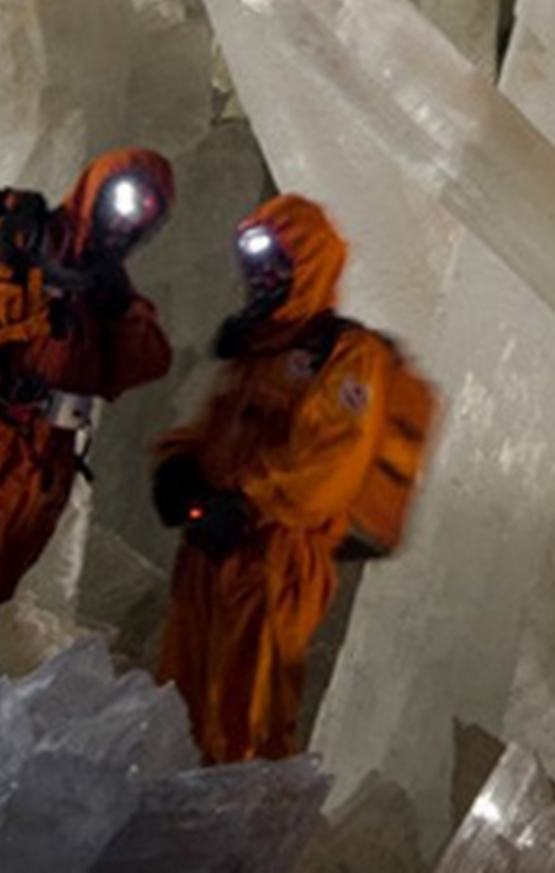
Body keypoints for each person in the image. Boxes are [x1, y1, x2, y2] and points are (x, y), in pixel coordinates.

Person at [0, 148, 177, 652]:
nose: (130, 219)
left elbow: (148, 360)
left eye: (147, 213)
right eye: (129, 200)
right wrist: (38, 297)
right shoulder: (24, 237)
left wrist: (113, 304)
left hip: (43, 457)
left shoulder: (109, 289)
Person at [151, 194, 393, 763]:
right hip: (212, 551)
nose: (259, 279)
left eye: (273, 263)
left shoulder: (347, 354)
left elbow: (334, 461)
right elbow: (212, 426)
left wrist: (248, 503)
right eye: (253, 265)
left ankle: (234, 843)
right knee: (177, 711)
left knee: (246, 722)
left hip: (276, 557)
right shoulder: (256, 352)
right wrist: (177, 464)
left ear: (304, 263)